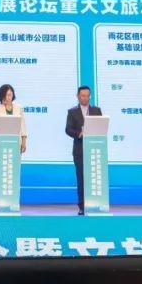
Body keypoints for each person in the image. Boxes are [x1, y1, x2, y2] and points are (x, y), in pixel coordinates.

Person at [65, 86, 102, 215]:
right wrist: (79, 133)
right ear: (78, 96)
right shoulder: (72, 112)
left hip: (95, 149)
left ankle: (96, 204)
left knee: (95, 178)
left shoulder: (97, 111)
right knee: (81, 179)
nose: (85, 98)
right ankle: (82, 206)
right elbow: (68, 129)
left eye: (87, 96)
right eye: (83, 96)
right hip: (80, 150)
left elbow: (101, 127)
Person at [0, 83, 27, 154]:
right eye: (6, 95)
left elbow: (23, 126)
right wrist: (2, 127)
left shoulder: (18, 108)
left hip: (16, 141)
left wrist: (24, 142)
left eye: (10, 95)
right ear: (2, 96)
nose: (8, 97)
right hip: (1, 140)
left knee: (15, 160)